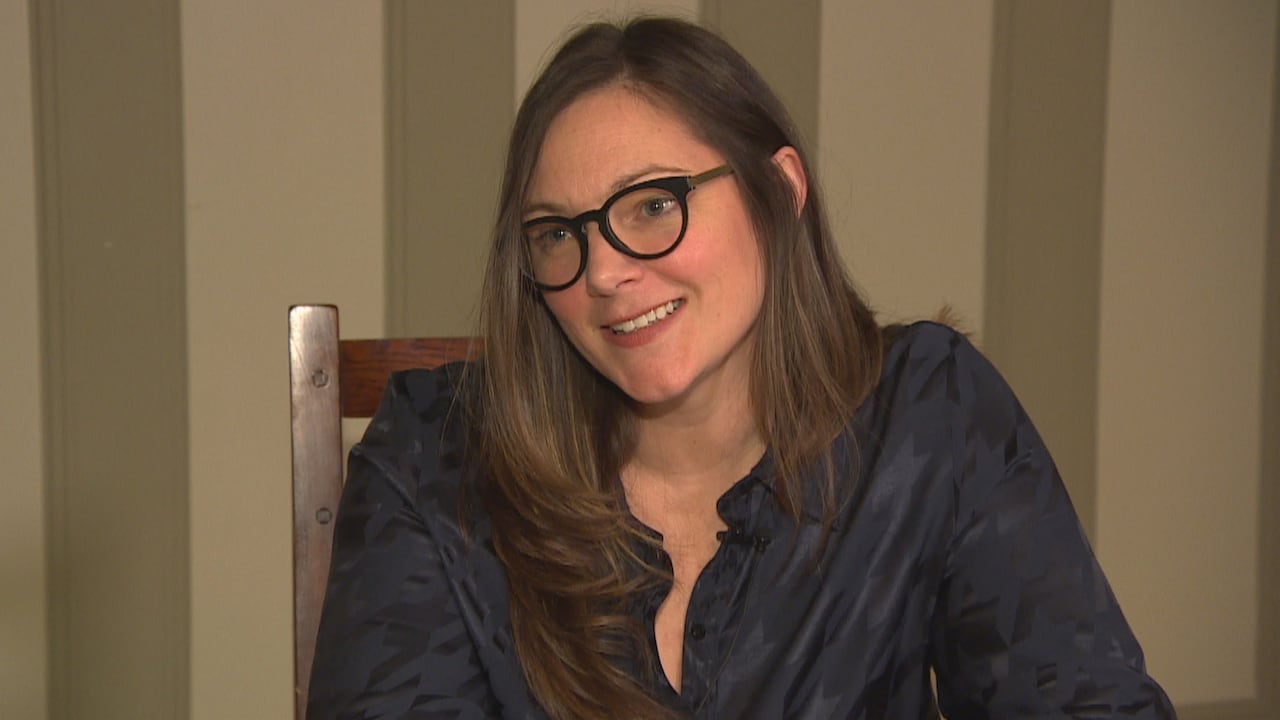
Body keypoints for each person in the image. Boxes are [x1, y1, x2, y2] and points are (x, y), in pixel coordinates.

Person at [308, 16, 1176, 720]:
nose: (605, 272)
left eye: (654, 204)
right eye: (557, 234)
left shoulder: (927, 412)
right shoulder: (431, 461)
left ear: (780, 192)